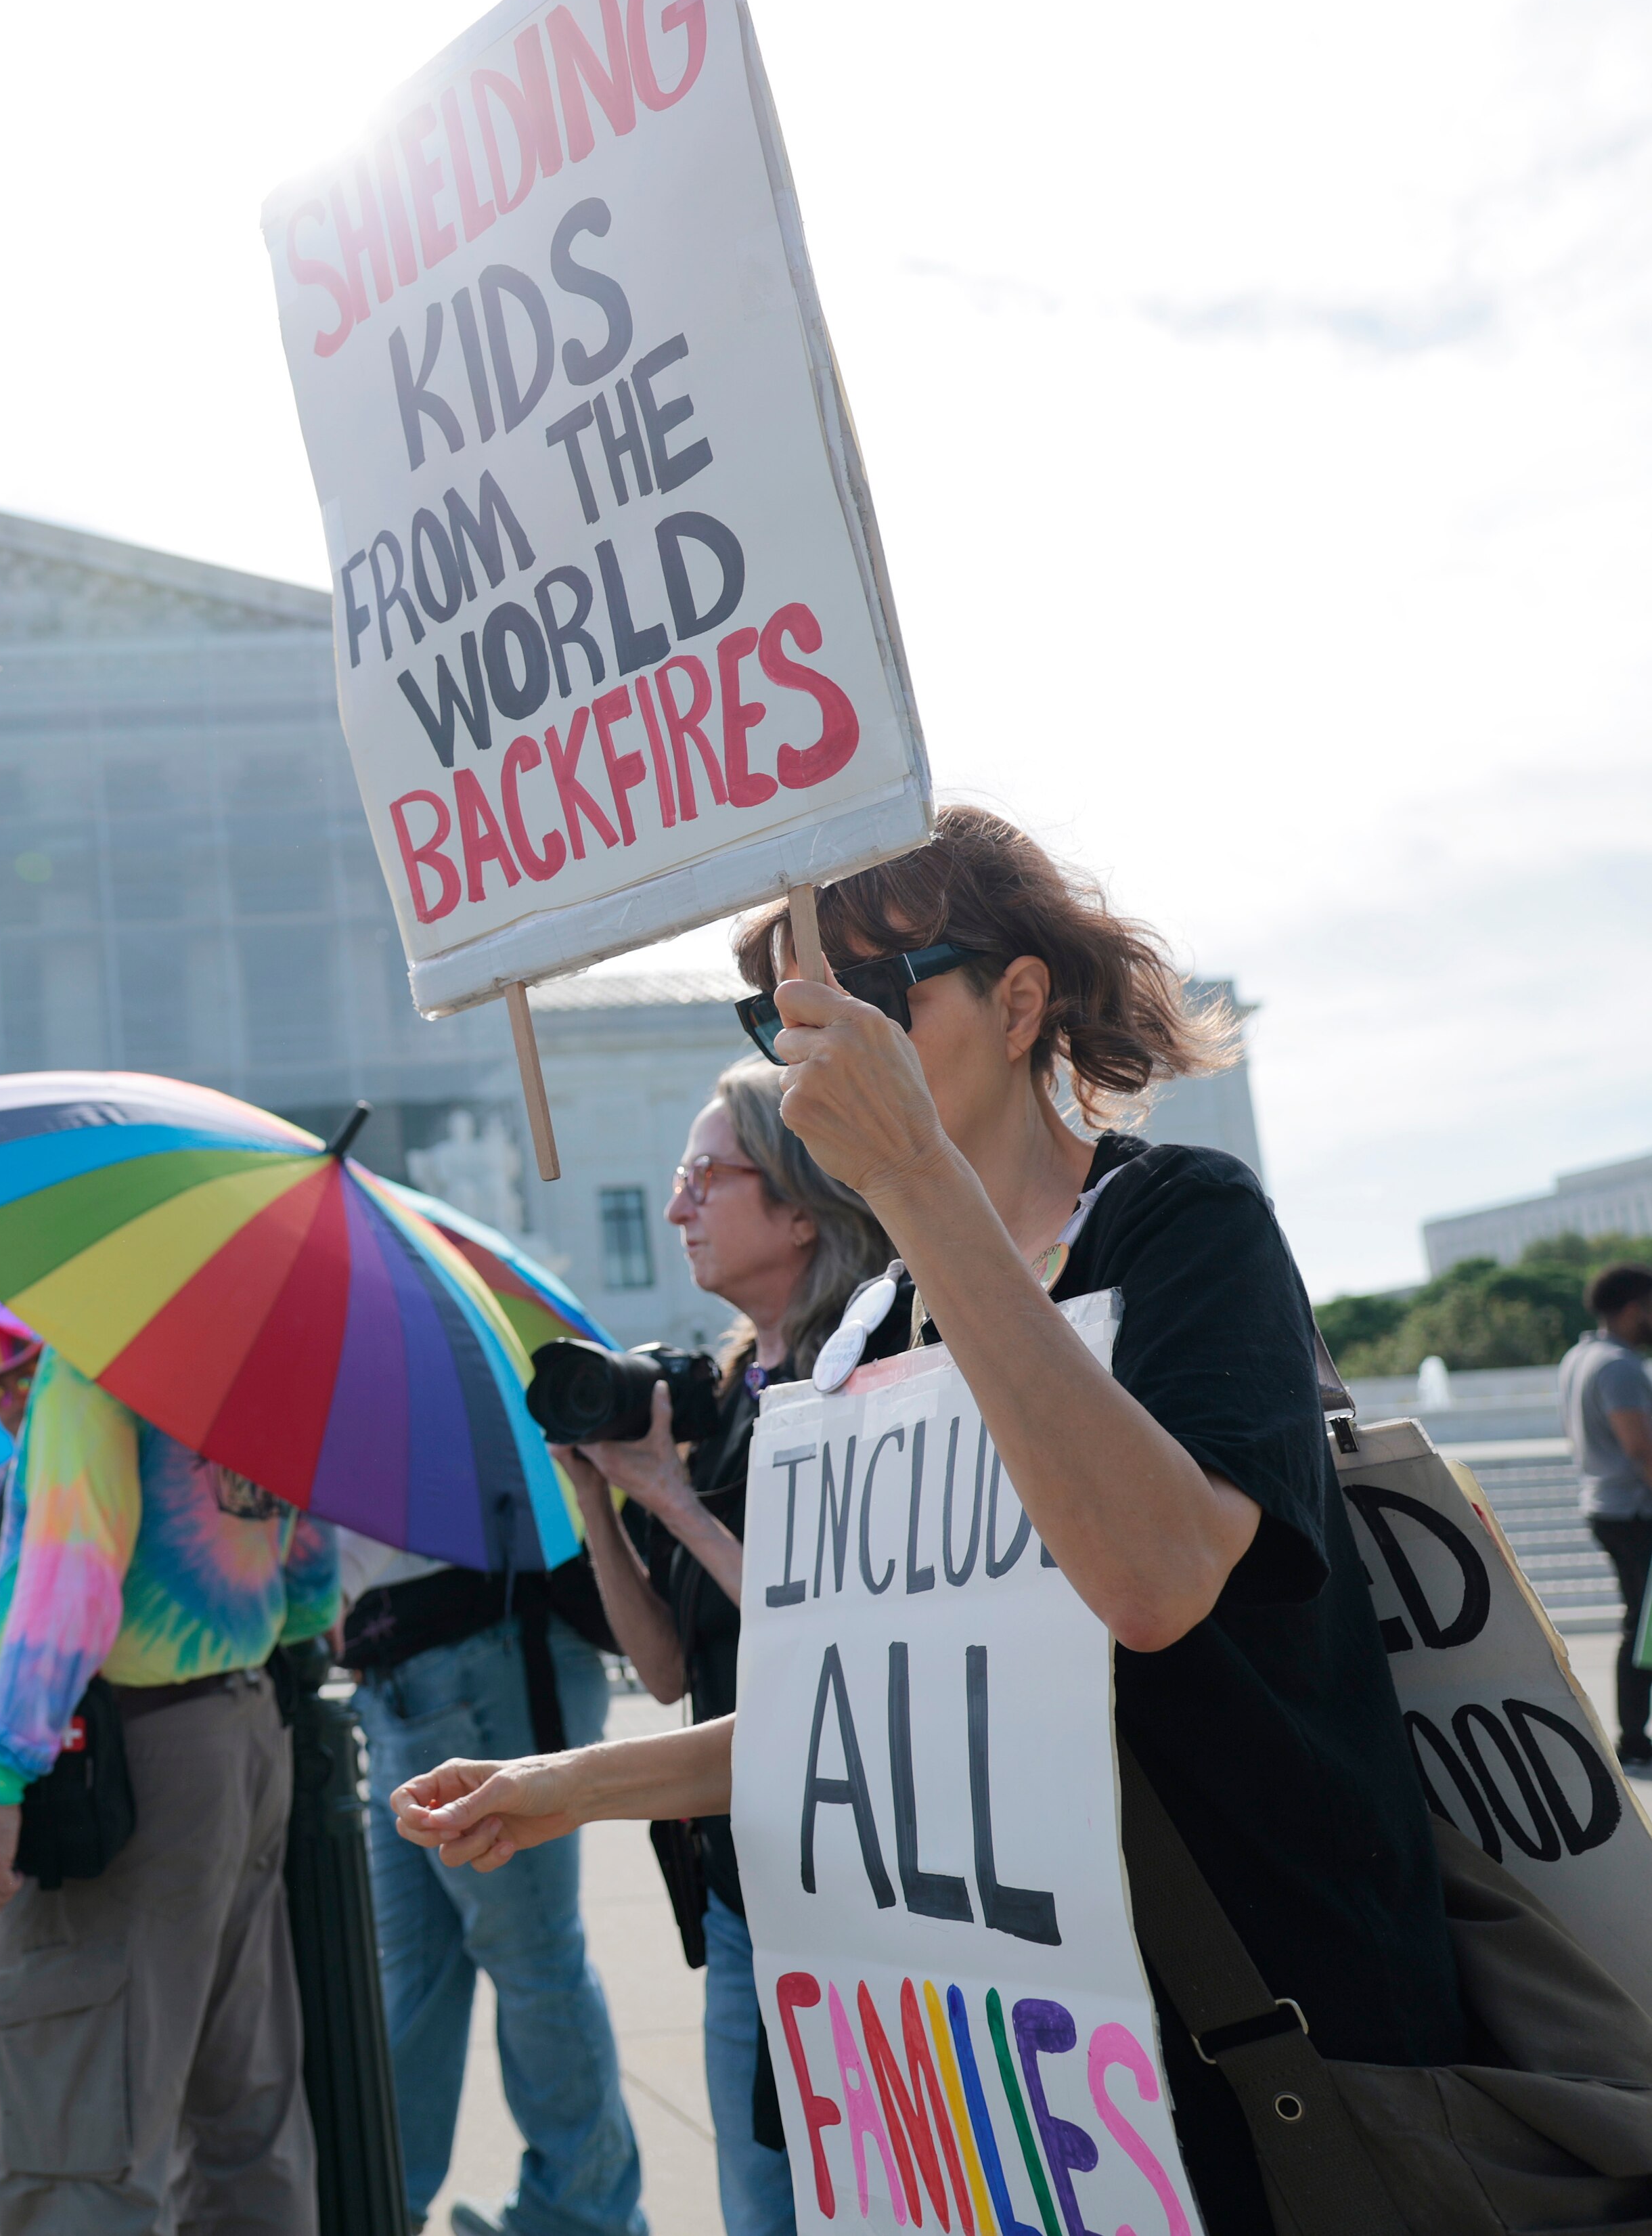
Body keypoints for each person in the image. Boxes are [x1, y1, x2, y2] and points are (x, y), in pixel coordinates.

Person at [394, 808, 1471, 2236]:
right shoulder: (862, 1332)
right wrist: (567, 1787)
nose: (817, 1040)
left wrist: (912, 1177)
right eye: (784, 1004)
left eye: (874, 991)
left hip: (1250, 2046)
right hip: (1010, 2091)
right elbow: (863, 1711)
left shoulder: (1181, 1226)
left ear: (1018, 1001)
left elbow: (1153, 1580)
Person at [555, 1058, 899, 2236]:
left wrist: (680, 1504)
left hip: (858, 1890)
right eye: (677, 1177)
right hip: (741, 1887)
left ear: (802, 1206)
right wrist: (606, 1498)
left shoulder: (860, 1375)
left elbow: (835, 1638)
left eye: (708, 1175)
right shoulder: (720, 1397)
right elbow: (660, 1669)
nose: (676, 1206)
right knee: (759, 2210)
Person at [0, 1353, 338, 2235]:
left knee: (83, 2129)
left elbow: (74, 1570)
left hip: (132, 1759)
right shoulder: (261, 1357)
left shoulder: (99, 1356)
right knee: (247, 2115)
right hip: (242, 1727)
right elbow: (312, 1574)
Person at [338, 1484, 649, 2227]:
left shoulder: (421, 1374)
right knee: (425, 1968)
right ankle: (389, 2199)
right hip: (417, 1673)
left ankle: (581, 2215)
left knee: (530, 1958)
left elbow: (365, 1536)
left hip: (478, 1657)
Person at [1562, 1263, 1652, 1768]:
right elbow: (1642, 1449)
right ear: (1635, 1308)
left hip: (1606, 1506)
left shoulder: (1579, 1355)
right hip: (1634, 1511)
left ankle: (1636, 1738)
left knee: (1641, 1623)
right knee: (1643, 1626)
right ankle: (1635, 1741)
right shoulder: (1619, 1364)